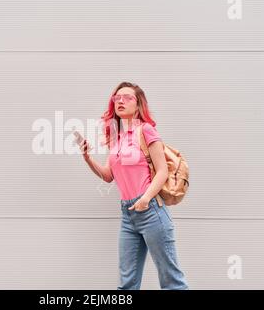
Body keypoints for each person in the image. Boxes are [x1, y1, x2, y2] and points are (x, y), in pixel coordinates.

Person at [79, 81, 188, 290]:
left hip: (151, 210)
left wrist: (145, 198)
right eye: (117, 98)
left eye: (127, 97)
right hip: (128, 214)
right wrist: (87, 158)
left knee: (171, 281)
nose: (120, 101)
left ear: (138, 105)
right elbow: (108, 175)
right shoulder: (116, 138)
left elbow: (162, 170)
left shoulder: (146, 131)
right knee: (127, 285)